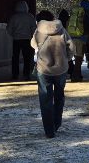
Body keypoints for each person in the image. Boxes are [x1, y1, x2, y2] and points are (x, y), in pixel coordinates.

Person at [30, 10, 75, 139]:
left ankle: (49, 130)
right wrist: (66, 59)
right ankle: (56, 123)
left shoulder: (38, 30)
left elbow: (33, 44)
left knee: (45, 99)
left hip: (43, 69)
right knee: (59, 96)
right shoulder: (61, 29)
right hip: (61, 68)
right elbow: (71, 47)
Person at [6, 0, 37, 81]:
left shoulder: (14, 17)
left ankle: (15, 74)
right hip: (27, 39)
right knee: (27, 58)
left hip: (16, 39)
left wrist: (13, 35)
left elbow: (9, 29)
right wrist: (32, 36)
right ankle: (26, 74)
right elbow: (34, 28)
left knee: (15, 57)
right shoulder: (30, 16)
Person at [64, 0, 89, 82]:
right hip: (81, 39)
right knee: (79, 58)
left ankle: (74, 73)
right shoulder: (86, 16)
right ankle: (76, 75)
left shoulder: (73, 16)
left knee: (72, 57)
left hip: (71, 38)